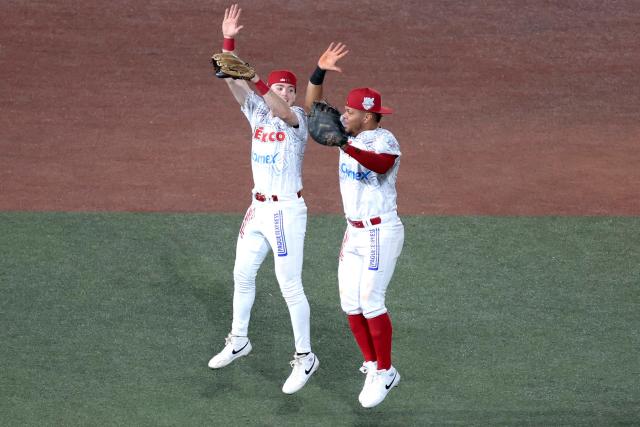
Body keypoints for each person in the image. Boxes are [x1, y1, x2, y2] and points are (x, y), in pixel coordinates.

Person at [208, 4, 318, 395]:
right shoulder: (256, 111)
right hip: (257, 208)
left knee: (290, 286)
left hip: (286, 211)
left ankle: (305, 357)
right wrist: (229, 40)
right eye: (281, 85)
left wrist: (257, 79)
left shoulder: (298, 118)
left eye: (289, 87)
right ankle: (239, 339)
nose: (286, 91)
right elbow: (230, 78)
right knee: (241, 274)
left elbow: (277, 106)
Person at [305, 43, 404, 408]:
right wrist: (319, 70)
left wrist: (345, 142)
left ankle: (386, 371)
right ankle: (371, 363)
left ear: (367, 116)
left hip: (381, 231)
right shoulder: (350, 135)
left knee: (371, 300)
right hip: (354, 232)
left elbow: (379, 166)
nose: (342, 115)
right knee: (349, 302)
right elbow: (314, 106)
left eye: (349, 111)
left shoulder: (384, 139)